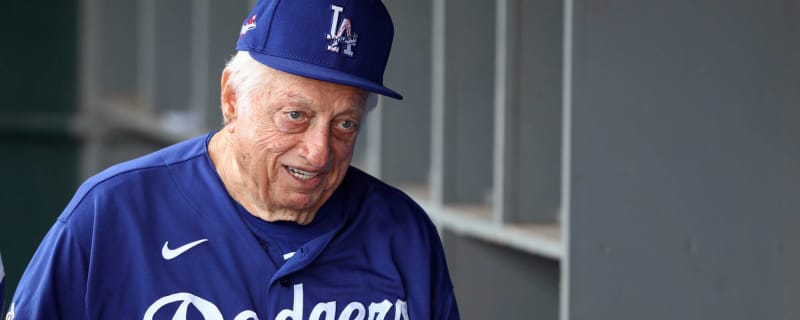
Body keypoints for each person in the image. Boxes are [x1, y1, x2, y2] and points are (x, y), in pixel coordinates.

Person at [7, 0, 460, 319]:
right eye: (295, 116)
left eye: (345, 124)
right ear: (231, 98)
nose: (319, 151)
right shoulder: (113, 213)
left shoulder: (404, 234)